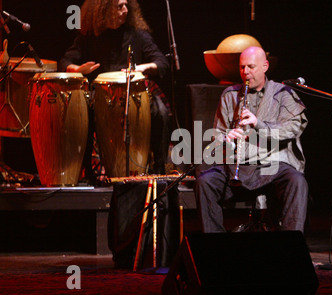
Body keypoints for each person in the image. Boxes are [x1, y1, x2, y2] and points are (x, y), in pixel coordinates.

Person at [194, 46, 309, 233]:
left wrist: (259, 124)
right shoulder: (230, 95)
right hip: (238, 167)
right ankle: (214, 247)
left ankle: (290, 248)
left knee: (296, 181)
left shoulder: (283, 93)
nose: (245, 72)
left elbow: (293, 128)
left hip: (272, 166)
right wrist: (227, 139)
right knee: (205, 182)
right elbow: (218, 135)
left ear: (265, 66)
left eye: (251, 67)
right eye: (242, 67)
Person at [59, 0, 171, 178]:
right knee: (81, 113)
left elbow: (162, 63)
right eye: (119, 6)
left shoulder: (138, 35)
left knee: (161, 113)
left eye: (127, 5)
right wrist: (78, 70)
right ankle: (87, 172)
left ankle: (159, 168)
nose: (125, 10)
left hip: (135, 94)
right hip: (102, 96)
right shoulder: (89, 36)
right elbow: (65, 61)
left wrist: (141, 68)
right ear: (102, 10)